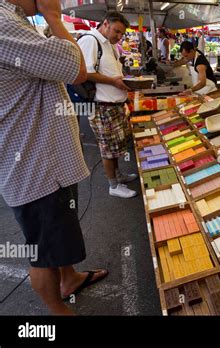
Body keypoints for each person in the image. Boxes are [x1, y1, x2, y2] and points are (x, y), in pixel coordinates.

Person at [0, 0, 108, 315]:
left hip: (44, 157)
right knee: (44, 250)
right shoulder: (5, 23)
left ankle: (70, 278)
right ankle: (57, 309)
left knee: (59, 232)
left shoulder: (15, 19)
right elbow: (76, 70)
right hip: (35, 163)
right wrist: (53, 17)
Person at [77, 11, 138, 199]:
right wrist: (113, 82)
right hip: (102, 106)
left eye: (122, 34)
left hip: (114, 106)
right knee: (108, 148)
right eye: (117, 32)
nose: (119, 37)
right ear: (105, 24)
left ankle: (118, 176)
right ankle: (113, 185)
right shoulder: (91, 41)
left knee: (115, 146)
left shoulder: (110, 45)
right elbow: (84, 73)